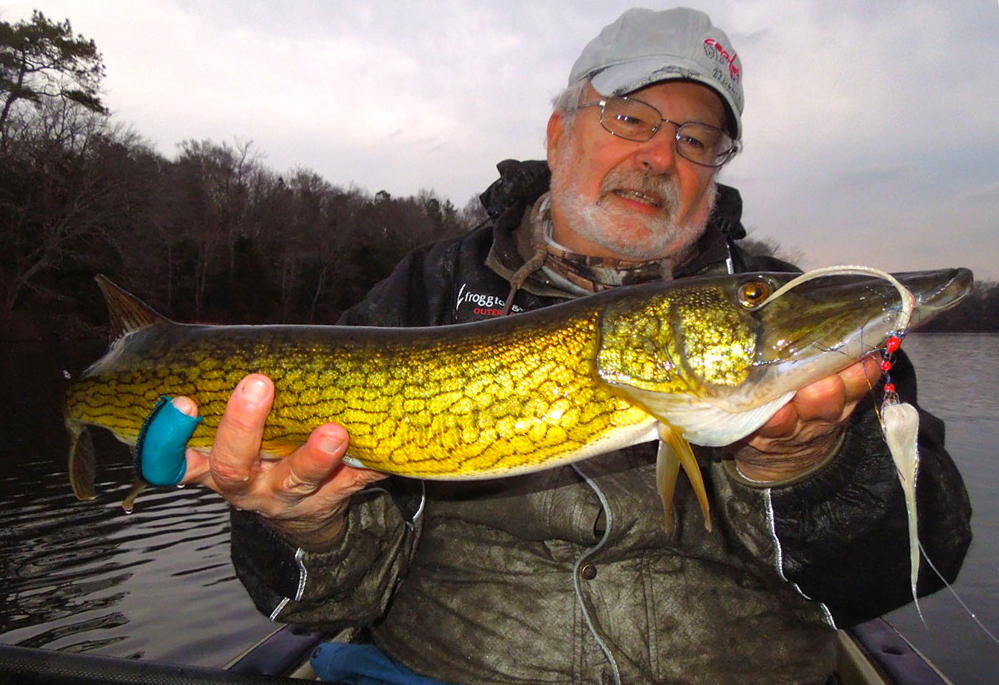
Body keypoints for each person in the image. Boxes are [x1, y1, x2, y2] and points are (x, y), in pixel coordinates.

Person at [173, 8, 971, 684]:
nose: (659, 155)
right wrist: (305, 527)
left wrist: (810, 471)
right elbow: (325, 600)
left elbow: (918, 560)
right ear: (559, 134)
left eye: (697, 139)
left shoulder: (779, 306)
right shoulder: (423, 292)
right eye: (630, 117)